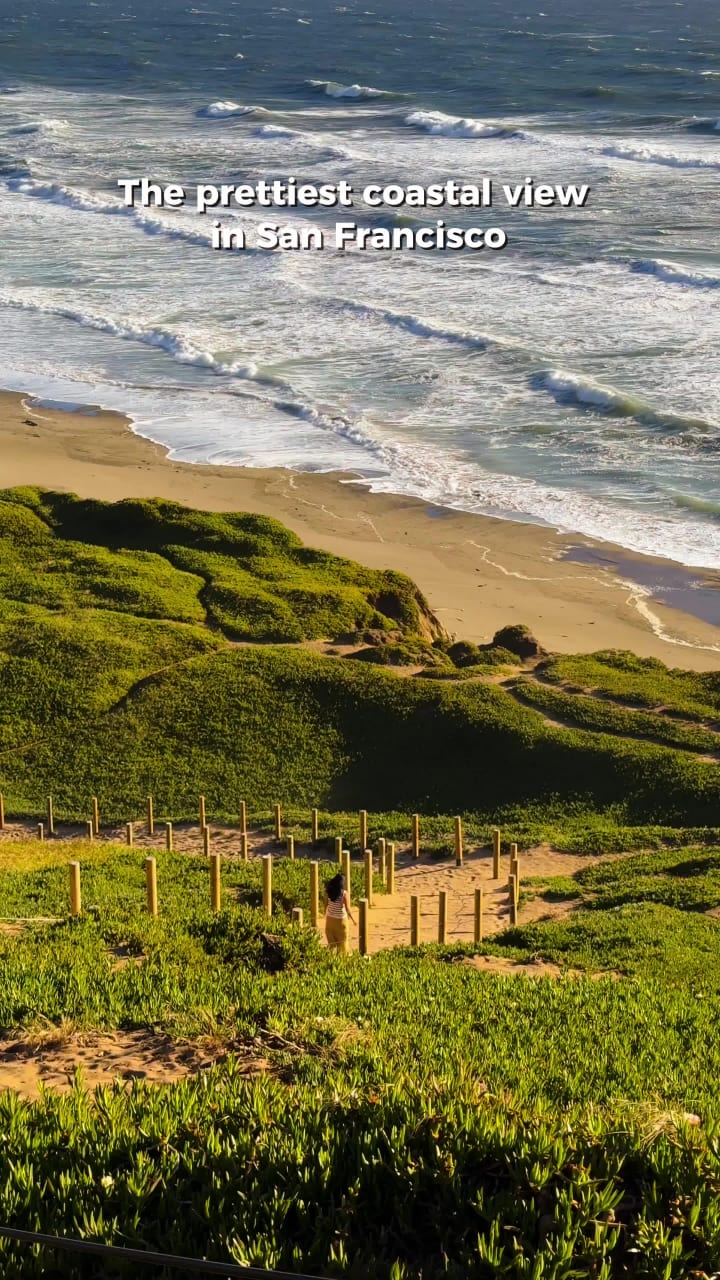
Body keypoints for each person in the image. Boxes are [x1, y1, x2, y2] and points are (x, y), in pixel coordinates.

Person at [324, 872, 354, 954]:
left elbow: (325, 904)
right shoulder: (344, 893)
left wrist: (324, 913)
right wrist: (353, 920)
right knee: (343, 946)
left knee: (332, 945)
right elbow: (348, 908)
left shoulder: (328, 892)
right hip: (341, 920)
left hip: (330, 920)